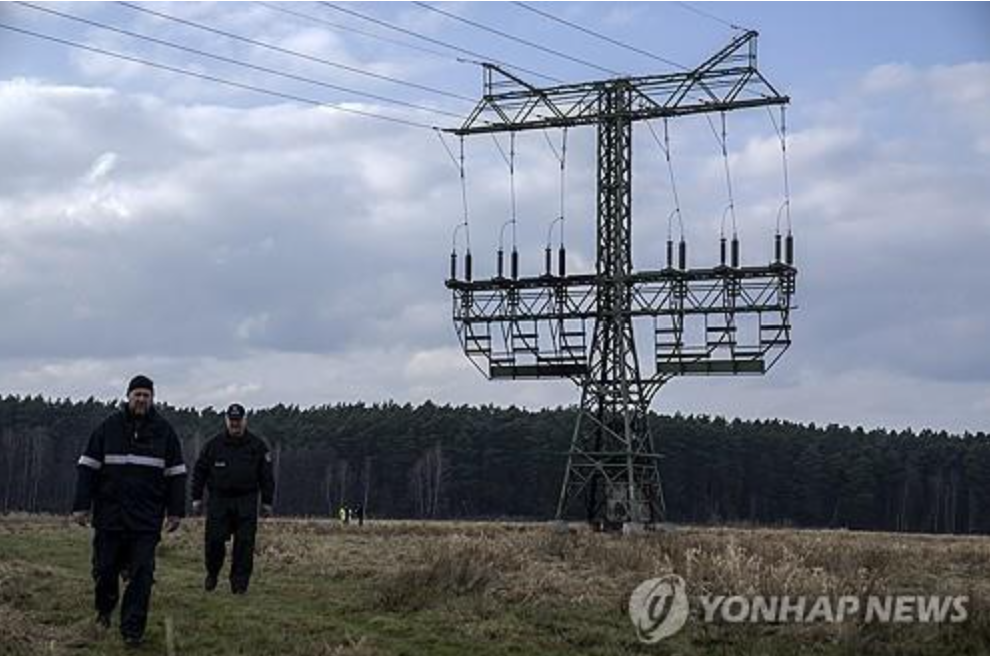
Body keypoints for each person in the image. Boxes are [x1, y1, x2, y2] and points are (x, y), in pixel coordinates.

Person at [71, 374, 187, 648]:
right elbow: (87, 468)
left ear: (152, 399)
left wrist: (175, 512)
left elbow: (176, 474)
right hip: (110, 516)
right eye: (137, 394)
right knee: (105, 569)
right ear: (128, 396)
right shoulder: (107, 428)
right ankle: (104, 610)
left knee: (142, 574)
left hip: (146, 520)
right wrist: (81, 506)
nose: (142, 399)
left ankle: (132, 631)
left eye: (147, 395)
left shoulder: (164, 432)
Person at [191, 403, 274, 594]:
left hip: (247, 499)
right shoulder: (213, 445)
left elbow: (266, 476)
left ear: (245, 421)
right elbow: (200, 471)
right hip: (219, 500)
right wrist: (196, 497)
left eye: (238, 420)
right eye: (232, 420)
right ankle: (212, 572)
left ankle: (239, 585)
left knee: (244, 544)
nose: (235, 424)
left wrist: (267, 502)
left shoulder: (257, 446)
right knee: (214, 541)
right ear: (226, 421)